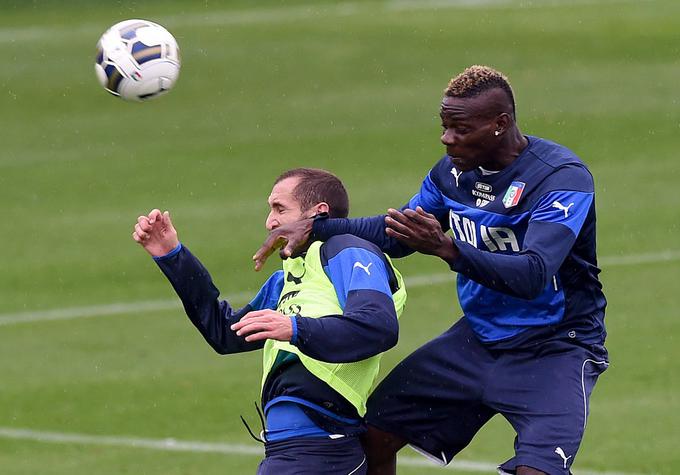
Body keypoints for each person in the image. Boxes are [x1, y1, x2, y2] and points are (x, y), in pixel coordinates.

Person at [252, 66, 609, 475]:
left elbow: (533, 274)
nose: (446, 138)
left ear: (500, 124)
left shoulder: (561, 179)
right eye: (444, 126)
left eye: (459, 128)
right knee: (373, 436)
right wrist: (317, 227)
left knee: (537, 472)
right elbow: (398, 234)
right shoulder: (450, 174)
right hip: (478, 337)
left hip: (556, 346)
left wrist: (448, 249)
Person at [132, 168, 407, 475]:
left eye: (280, 208)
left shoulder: (347, 248)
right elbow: (225, 333)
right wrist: (173, 256)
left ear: (319, 213)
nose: (270, 222)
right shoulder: (288, 278)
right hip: (289, 450)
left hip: (320, 447)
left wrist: (293, 328)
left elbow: (378, 326)